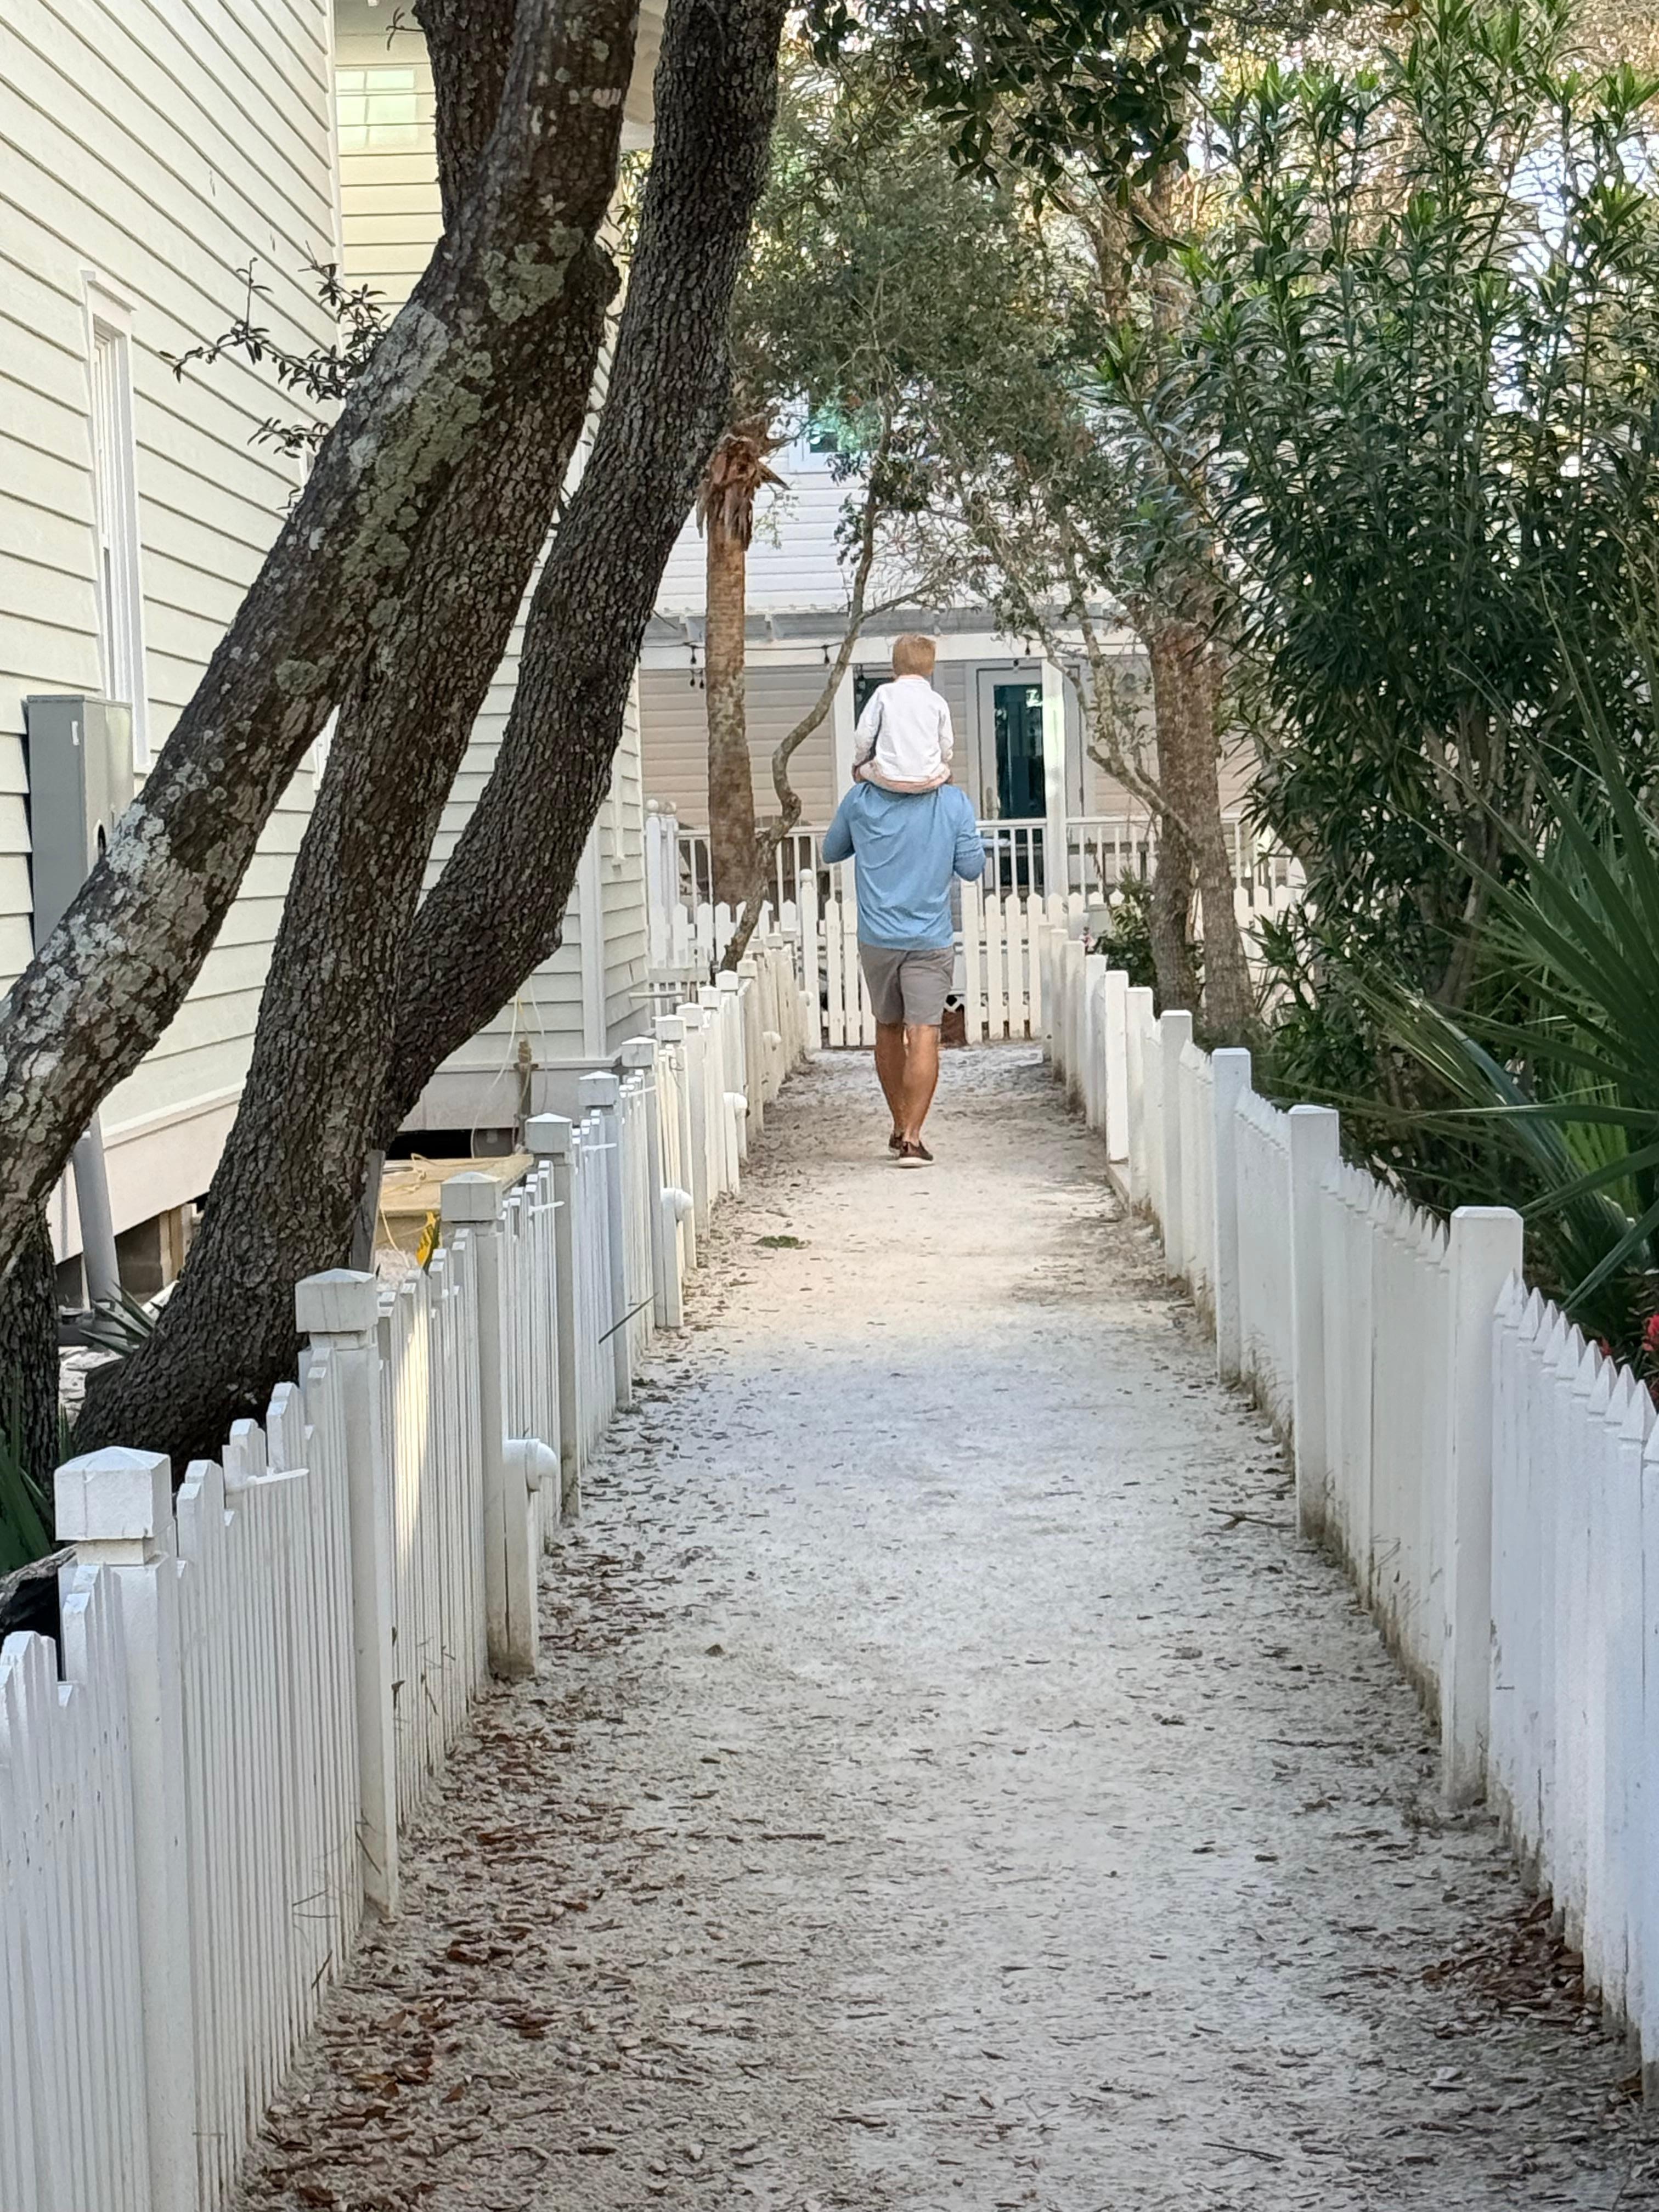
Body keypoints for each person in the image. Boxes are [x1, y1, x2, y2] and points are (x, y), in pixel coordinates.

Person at [821, 747, 985, 1166]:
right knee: (925, 1032)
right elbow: (971, 868)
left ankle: (898, 1125)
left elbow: (832, 850)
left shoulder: (861, 800)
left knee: (888, 1027)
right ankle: (913, 1138)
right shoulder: (953, 803)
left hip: (877, 938)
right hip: (930, 938)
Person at [850, 634, 954, 792]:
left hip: (888, 777)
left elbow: (864, 736)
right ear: (931, 668)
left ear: (894, 665)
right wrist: (944, 762)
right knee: (947, 773)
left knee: (861, 771)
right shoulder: (937, 701)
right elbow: (946, 743)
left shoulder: (883, 693)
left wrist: (859, 762)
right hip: (929, 779)